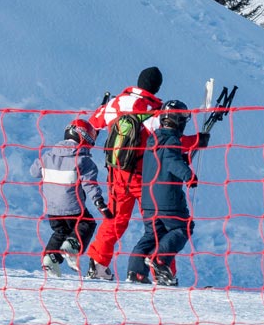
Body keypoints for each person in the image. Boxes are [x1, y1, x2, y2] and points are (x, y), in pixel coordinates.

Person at [84, 67, 206, 281]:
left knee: (115, 219)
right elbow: (167, 140)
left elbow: (95, 122)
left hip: (116, 173)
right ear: (157, 87)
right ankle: (162, 270)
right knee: (160, 222)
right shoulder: (155, 111)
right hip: (145, 177)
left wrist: (105, 106)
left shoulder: (117, 102)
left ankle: (98, 262)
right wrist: (197, 140)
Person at [126, 100, 200, 286]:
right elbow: (171, 160)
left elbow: (166, 158)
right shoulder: (172, 140)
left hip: (148, 200)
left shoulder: (153, 139)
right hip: (168, 199)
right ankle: (159, 259)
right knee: (183, 227)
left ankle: (136, 271)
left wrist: (183, 158)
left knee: (152, 235)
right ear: (177, 120)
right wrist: (188, 175)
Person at [29, 119, 112, 276]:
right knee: (87, 224)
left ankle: (50, 258)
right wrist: (100, 203)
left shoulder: (48, 156)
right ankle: (72, 247)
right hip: (73, 207)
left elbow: (34, 172)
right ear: (84, 139)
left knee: (60, 232)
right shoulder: (83, 160)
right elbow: (90, 185)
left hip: (52, 208)